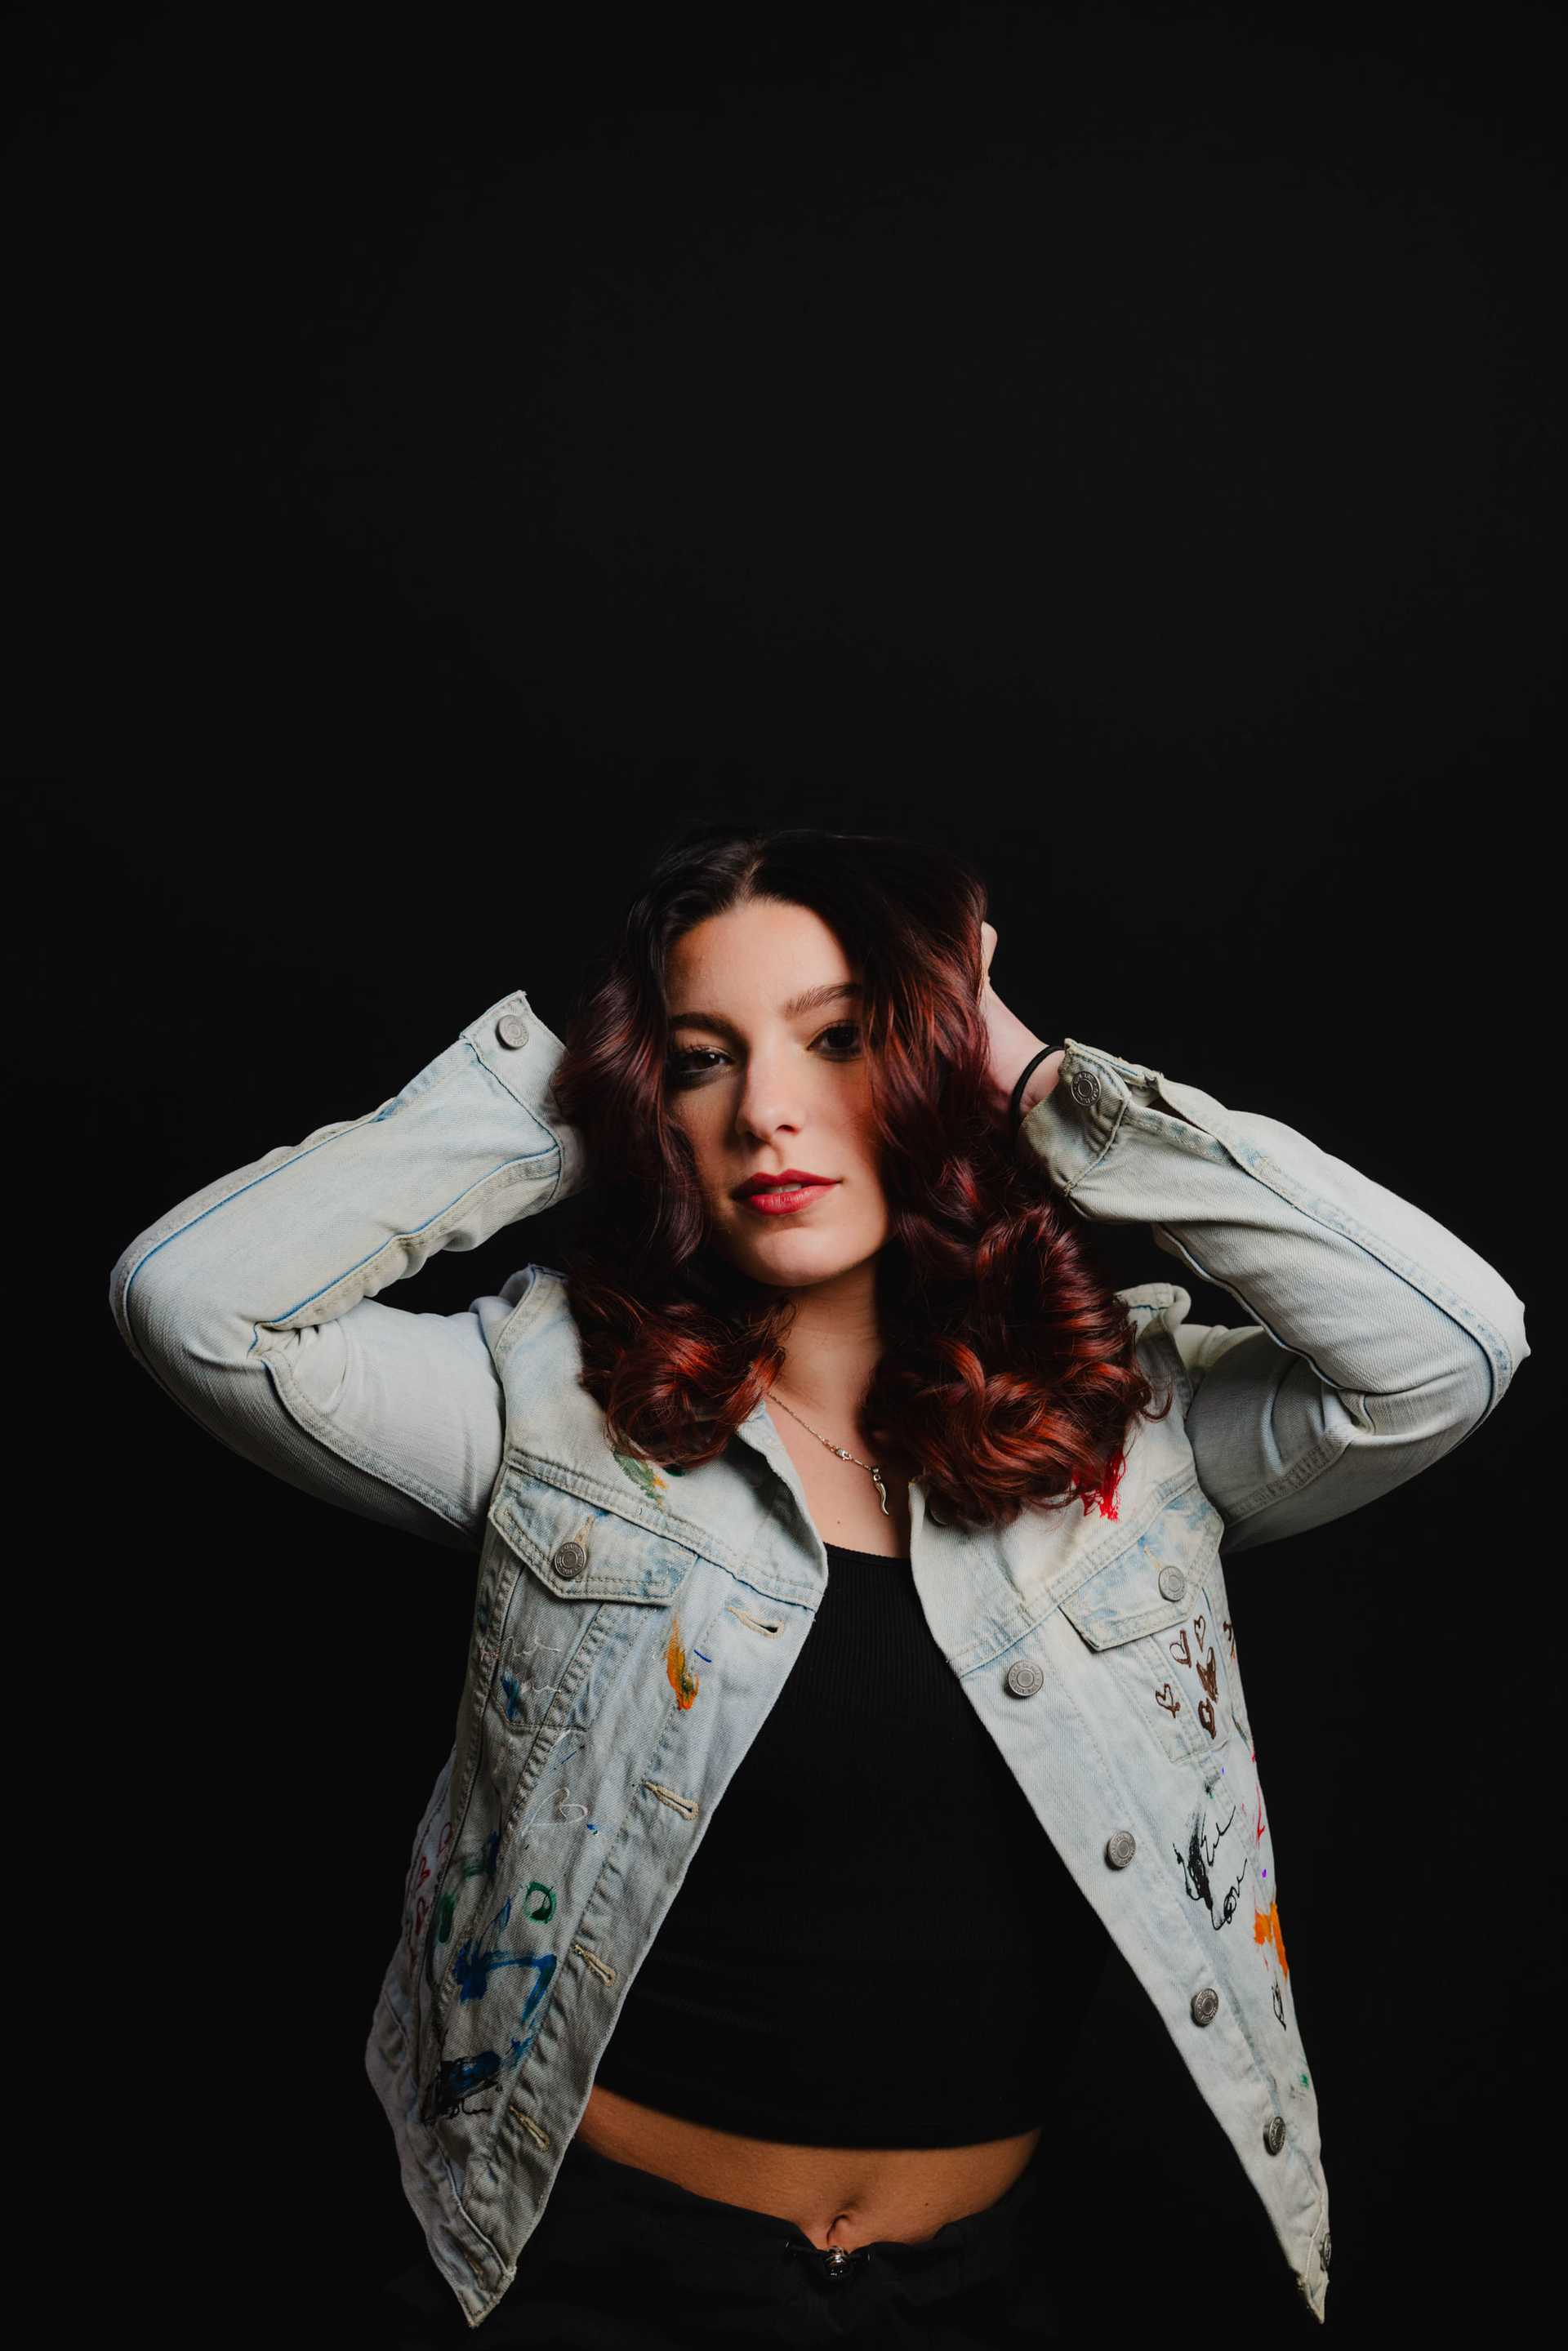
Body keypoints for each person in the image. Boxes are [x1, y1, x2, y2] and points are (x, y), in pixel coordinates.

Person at [107, 822, 1529, 2344]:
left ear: (937, 1058)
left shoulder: (1138, 1434)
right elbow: (193, 1303)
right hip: (586, 2275)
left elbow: (1451, 1352)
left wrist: (1045, 1084)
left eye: (841, 1040)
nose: (768, 1114)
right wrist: (585, 1091)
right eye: (704, 1058)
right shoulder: (545, 1408)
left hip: (985, 2288)